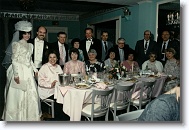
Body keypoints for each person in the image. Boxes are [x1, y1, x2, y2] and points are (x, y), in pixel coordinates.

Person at [2, 21, 40, 121]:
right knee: (18, 95)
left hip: (28, 71)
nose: (27, 35)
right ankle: (17, 118)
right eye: (25, 33)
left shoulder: (31, 46)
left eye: (28, 33)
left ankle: (29, 117)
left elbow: (30, 60)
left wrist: (35, 70)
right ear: (20, 34)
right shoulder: (16, 44)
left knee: (31, 95)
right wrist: (16, 74)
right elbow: (14, 60)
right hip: (19, 70)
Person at [38, 50, 69, 121]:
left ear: (57, 58)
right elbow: (40, 82)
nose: (52, 59)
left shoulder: (58, 67)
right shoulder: (44, 67)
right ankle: (57, 120)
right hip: (47, 92)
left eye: (54, 57)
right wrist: (50, 84)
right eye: (50, 57)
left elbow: (61, 78)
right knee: (59, 102)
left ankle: (64, 119)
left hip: (57, 91)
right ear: (48, 58)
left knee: (68, 99)